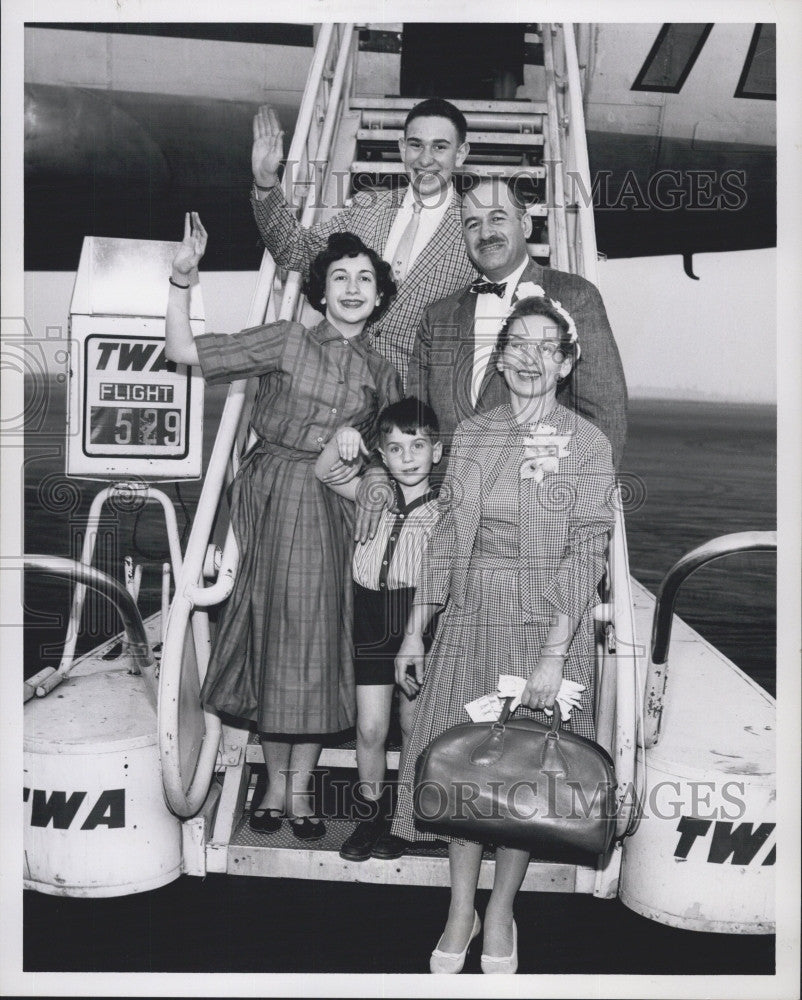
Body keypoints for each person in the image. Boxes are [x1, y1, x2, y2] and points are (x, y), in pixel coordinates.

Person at [390, 294, 616, 973]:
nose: (529, 357)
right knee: (467, 769)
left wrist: (552, 656)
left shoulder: (590, 443)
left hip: (550, 623)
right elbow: (448, 541)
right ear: (501, 355)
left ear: (568, 362)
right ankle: (460, 908)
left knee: (521, 776)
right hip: (474, 619)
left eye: (546, 346)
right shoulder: (475, 434)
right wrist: (413, 632)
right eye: (516, 343)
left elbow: (587, 552)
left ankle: (499, 911)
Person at [165, 214, 402, 842]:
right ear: (320, 291)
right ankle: (278, 788)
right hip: (276, 494)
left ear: (380, 297)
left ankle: (294, 789)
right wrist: (182, 281)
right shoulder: (285, 340)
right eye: (339, 277)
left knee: (321, 645)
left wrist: (367, 460)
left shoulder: (384, 372)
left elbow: (393, 456)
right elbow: (184, 351)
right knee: (277, 635)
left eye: (365, 279)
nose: (352, 288)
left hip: (340, 505)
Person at [250, 98, 478, 386]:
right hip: (342, 388)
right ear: (401, 147)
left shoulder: (474, 227)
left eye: (440, 147)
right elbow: (296, 250)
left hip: (414, 404)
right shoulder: (366, 207)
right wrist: (266, 181)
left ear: (460, 154)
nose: (425, 159)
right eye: (416, 144)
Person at [408, 176, 628, 468]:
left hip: (539, 502)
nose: (485, 233)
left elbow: (605, 417)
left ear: (524, 225)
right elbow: (416, 422)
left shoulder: (576, 296)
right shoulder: (437, 316)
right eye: (473, 224)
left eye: (497, 218)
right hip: (449, 501)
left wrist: (575, 498)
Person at [314, 398, 443, 862]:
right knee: (370, 728)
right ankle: (370, 814)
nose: (407, 458)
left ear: (437, 452)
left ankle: (406, 816)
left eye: (418, 445)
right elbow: (324, 470)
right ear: (381, 454)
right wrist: (341, 438)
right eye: (394, 448)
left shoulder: (446, 510)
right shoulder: (374, 494)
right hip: (370, 615)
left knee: (412, 726)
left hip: (418, 620)